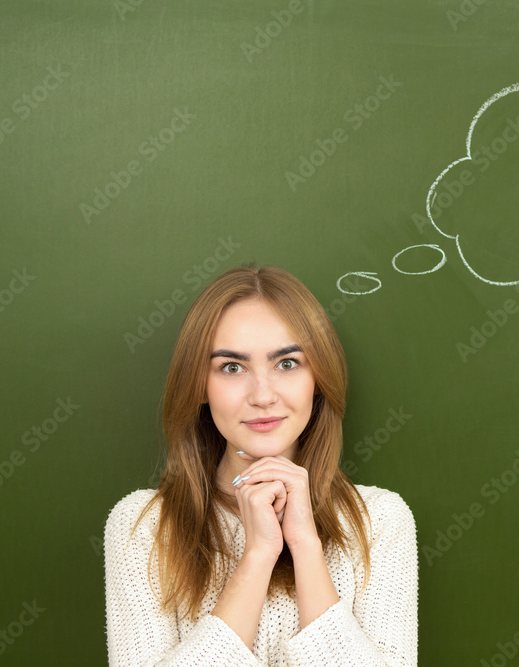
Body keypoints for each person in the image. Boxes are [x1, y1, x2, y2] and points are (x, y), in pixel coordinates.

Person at [103, 265, 418, 666]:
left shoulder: (380, 521)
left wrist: (305, 547)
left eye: (287, 363)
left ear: (317, 377)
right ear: (200, 384)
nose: (263, 396)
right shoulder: (143, 526)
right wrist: (257, 555)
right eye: (232, 367)